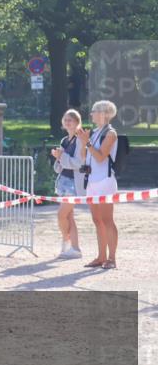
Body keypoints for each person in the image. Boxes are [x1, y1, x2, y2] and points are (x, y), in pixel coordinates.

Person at [77, 100, 120, 270]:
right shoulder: (94, 132)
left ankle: (112, 258)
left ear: (104, 114)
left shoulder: (111, 133)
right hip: (92, 181)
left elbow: (101, 157)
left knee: (107, 220)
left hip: (104, 181)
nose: (91, 114)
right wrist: (83, 142)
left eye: (94, 111)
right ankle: (101, 257)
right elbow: (84, 156)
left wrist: (87, 142)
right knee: (97, 220)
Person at [51, 109, 85, 259]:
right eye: (65, 119)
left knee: (61, 214)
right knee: (69, 216)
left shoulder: (80, 140)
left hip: (74, 183)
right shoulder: (64, 140)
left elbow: (79, 163)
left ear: (77, 122)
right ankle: (74, 248)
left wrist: (62, 156)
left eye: (70, 120)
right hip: (63, 181)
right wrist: (58, 157)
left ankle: (67, 241)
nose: (67, 122)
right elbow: (60, 166)